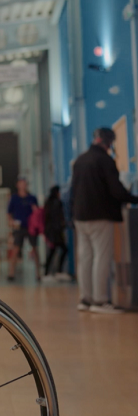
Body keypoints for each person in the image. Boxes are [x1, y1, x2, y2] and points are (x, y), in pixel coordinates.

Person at [71, 127, 138, 313]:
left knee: (85, 258)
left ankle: (85, 299)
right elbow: (116, 190)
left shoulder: (79, 161)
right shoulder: (105, 160)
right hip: (100, 216)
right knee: (101, 257)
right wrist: (134, 198)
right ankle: (100, 301)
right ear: (109, 142)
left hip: (80, 217)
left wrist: (72, 216)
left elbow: (73, 192)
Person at [6, 177, 39, 282]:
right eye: (21, 183)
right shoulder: (14, 198)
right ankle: (11, 273)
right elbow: (9, 212)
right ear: (17, 185)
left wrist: (35, 211)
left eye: (24, 183)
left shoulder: (32, 198)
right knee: (16, 249)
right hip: (19, 227)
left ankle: (39, 273)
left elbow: (37, 212)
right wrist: (11, 221)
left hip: (31, 227)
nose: (23, 185)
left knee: (35, 249)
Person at [42, 185, 69, 281]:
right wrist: (62, 227)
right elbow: (57, 218)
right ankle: (56, 272)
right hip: (56, 232)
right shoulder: (57, 203)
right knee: (60, 250)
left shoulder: (48, 202)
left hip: (50, 232)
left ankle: (49, 273)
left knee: (53, 252)